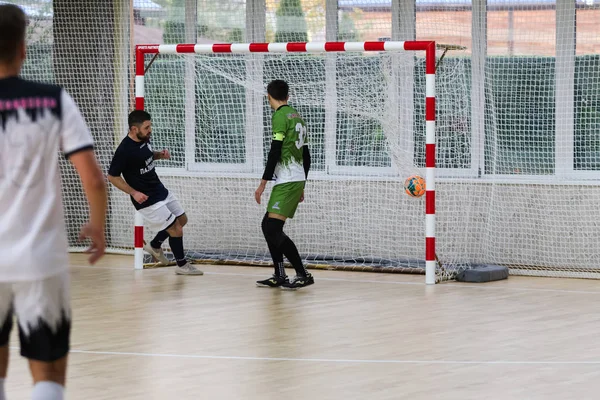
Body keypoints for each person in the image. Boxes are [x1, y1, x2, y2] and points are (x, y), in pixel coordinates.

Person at [0, 4, 108, 400]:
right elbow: (94, 178)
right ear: (23, 49)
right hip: (39, 258)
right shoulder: (52, 100)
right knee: (48, 372)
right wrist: (96, 226)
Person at [107, 110, 203, 275]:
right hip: (146, 199)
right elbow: (112, 176)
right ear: (133, 129)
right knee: (175, 229)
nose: (150, 130)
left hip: (159, 189)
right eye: (146, 127)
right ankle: (181, 265)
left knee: (182, 219)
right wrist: (133, 192)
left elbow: (146, 156)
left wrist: (160, 155)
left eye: (150, 126)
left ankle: (155, 244)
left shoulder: (144, 139)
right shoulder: (124, 150)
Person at [255, 80, 314, 289]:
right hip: (293, 178)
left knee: (272, 228)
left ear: (268, 97)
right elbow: (307, 156)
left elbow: (275, 151)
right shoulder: (297, 116)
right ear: (287, 96)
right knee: (268, 226)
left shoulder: (280, 116)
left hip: (288, 180)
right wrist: (303, 184)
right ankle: (279, 274)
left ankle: (302, 273)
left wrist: (263, 182)